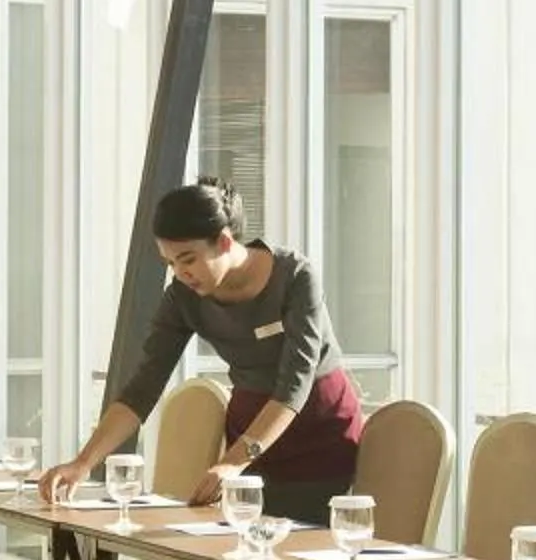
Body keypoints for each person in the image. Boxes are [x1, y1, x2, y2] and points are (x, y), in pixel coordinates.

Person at [38, 179, 366, 527]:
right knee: (242, 559)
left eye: (188, 259)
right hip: (249, 436)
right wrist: (83, 463)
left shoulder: (295, 276)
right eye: (170, 263)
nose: (180, 273)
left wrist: (234, 462)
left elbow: (293, 385)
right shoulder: (183, 296)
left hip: (316, 434)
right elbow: (143, 387)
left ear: (224, 241)